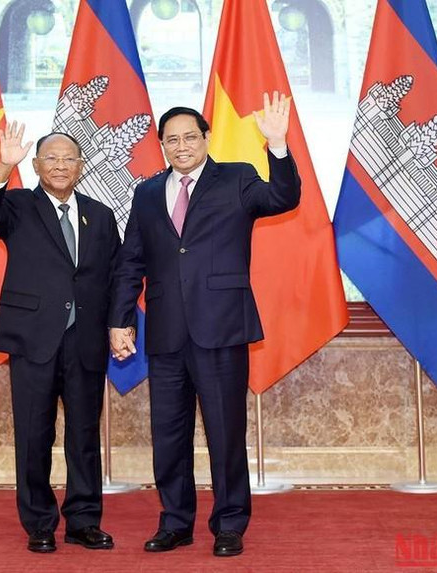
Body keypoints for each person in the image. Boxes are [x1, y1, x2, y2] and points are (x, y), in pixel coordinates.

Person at [109, 93, 301, 557]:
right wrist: (119, 321)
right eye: (171, 140)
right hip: (167, 331)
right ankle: (175, 522)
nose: (180, 146)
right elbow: (131, 258)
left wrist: (277, 144)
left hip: (221, 327)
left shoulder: (236, 177)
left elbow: (283, 197)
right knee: (168, 435)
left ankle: (230, 524)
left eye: (189, 137)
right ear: (161, 146)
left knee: (224, 432)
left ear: (206, 138)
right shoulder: (148, 191)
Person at [0, 123, 119, 554]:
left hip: (86, 342)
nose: (60, 165)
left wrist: (119, 324)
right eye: (51, 159)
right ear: (36, 166)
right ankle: (39, 523)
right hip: (33, 339)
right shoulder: (17, 206)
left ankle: (83, 521)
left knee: (83, 436)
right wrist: (4, 165)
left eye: (68, 158)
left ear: (81, 167)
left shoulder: (101, 214)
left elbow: (113, 278)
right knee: (35, 435)